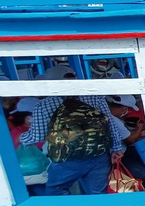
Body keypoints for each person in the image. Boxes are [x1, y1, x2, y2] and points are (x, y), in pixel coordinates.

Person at [20, 65, 125, 195]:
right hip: (98, 155)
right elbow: (110, 123)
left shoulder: (44, 105)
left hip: (66, 159)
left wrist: (22, 138)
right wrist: (116, 148)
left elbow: (38, 136)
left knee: (56, 191)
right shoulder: (95, 98)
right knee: (98, 193)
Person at [106, 94, 145, 191]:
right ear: (124, 108)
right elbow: (130, 139)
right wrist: (140, 127)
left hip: (127, 151)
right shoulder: (114, 120)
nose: (128, 112)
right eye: (128, 109)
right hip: (120, 156)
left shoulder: (113, 116)